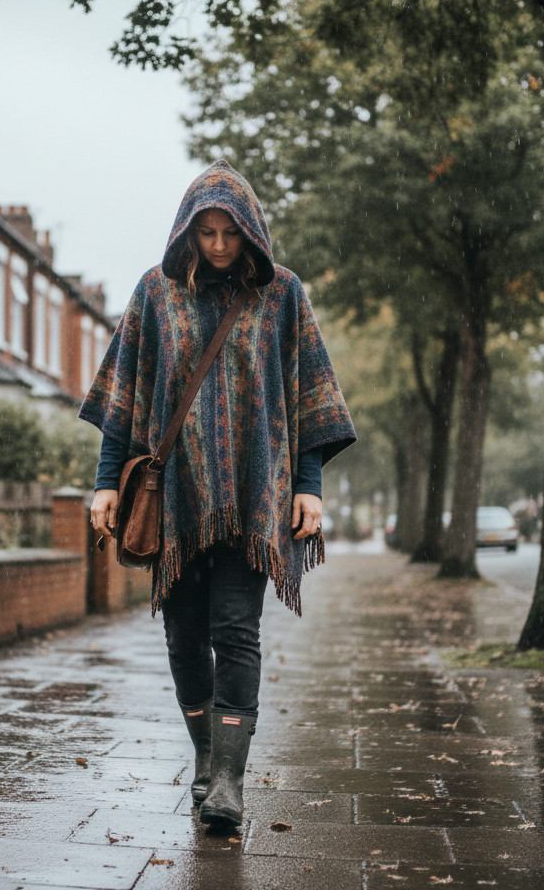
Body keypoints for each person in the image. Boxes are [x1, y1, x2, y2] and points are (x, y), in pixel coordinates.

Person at [79, 160, 355, 827]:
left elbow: (309, 399)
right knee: (181, 637)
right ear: (188, 231)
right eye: (206, 232)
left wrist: (309, 489)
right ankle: (205, 758)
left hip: (255, 496)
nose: (220, 245)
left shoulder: (283, 294)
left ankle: (229, 779)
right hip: (174, 498)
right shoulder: (156, 293)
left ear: (250, 230)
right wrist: (103, 484)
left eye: (230, 232)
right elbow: (127, 403)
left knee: (236, 630)